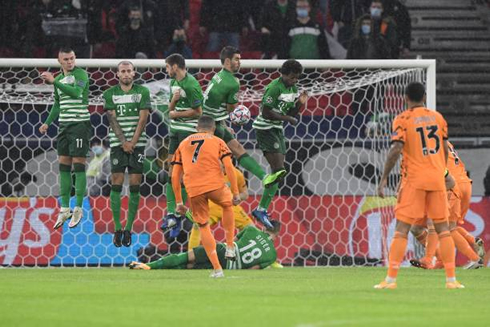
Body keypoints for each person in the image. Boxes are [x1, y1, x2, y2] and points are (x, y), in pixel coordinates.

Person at [375, 82, 463, 289]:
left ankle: (390, 280)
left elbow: (396, 148)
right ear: (424, 96)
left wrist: (385, 177)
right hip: (436, 178)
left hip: (414, 179)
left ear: (405, 98)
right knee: (443, 229)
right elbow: (443, 148)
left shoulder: (403, 118)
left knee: (402, 228)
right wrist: (442, 172)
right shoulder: (438, 118)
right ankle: (452, 280)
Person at [202, 46, 284, 228]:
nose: (240, 62)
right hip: (210, 124)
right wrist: (238, 115)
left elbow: (214, 104)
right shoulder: (232, 82)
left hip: (211, 120)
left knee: (236, 149)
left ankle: (264, 178)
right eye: (237, 59)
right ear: (228, 61)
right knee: (226, 156)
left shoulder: (218, 76)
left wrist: (224, 124)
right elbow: (231, 109)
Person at [170, 116, 241, 278]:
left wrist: (179, 201)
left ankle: (217, 269)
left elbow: (175, 175)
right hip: (215, 185)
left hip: (194, 189)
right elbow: (229, 166)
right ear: (213, 128)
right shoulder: (217, 141)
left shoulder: (183, 143)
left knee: (203, 226)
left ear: (197, 128)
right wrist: (235, 192)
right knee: (228, 205)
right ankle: (230, 245)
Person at [39, 47, 92, 230]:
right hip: (63, 126)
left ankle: (78, 207)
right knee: (63, 165)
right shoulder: (59, 79)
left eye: (72, 58)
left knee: (78, 165)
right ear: (59, 61)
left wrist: (54, 81)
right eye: (66, 59)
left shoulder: (81, 74)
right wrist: (47, 123)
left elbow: (76, 93)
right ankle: (64, 208)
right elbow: (57, 104)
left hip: (79, 125)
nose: (70, 62)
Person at [251, 59, 308, 228]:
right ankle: (261, 205)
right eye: (292, 77)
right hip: (265, 128)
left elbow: (291, 112)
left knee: (279, 173)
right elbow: (266, 112)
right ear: (283, 74)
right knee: (278, 171)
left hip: (277, 130)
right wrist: (287, 119)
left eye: (297, 78)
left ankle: (262, 209)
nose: (294, 81)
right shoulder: (274, 88)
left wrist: (299, 104)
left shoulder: (293, 89)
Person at [102, 60, 151, 247]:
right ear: (117, 74)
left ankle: (128, 228)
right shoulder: (109, 94)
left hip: (137, 145)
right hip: (117, 145)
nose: (126, 74)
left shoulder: (142, 92)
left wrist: (132, 142)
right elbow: (112, 120)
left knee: (135, 184)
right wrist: (124, 142)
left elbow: (143, 119)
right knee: (116, 183)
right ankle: (117, 228)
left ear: (134, 73)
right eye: (122, 71)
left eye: (129, 71)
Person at [161, 54, 203, 236]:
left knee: (185, 175)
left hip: (188, 133)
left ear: (175, 66)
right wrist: (174, 102)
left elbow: (198, 112)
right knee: (172, 173)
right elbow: (170, 111)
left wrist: (177, 115)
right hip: (174, 132)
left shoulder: (192, 84)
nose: (166, 70)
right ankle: (172, 214)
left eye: (167, 67)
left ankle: (181, 213)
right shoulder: (173, 84)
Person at [129, 222, 280, 271]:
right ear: (276, 235)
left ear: (265, 227)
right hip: (229, 267)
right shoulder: (272, 255)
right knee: (189, 267)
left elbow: (231, 241)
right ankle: (153, 269)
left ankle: (147, 266)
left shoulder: (252, 229)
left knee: (185, 257)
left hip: (222, 252)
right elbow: (252, 270)